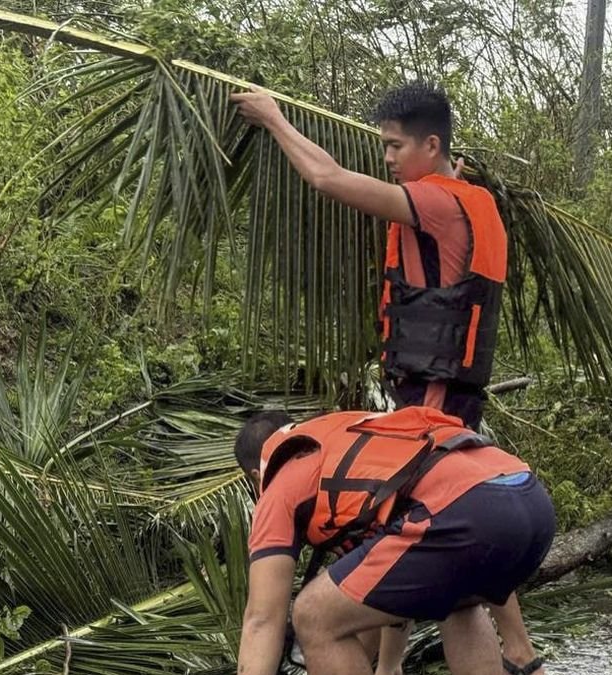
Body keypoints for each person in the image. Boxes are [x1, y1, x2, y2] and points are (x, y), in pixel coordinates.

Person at [232, 83, 543, 674]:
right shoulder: (472, 201)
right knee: (459, 595)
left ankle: (487, 656)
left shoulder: (441, 202)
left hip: (431, 414)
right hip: (454, 415)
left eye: (395, 147)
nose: (387, 159)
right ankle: (474, 660)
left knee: (343, 594)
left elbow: (326, 179)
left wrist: (273, 118)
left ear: (433, 145)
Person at [234, 407, 556, 675]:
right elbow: (381, 602)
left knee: (313, 614)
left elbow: (262, 621)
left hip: (463, 511)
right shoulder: (349, 434)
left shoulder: (278, 486)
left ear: (256, 476)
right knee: (461, 602)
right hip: (529, 497)